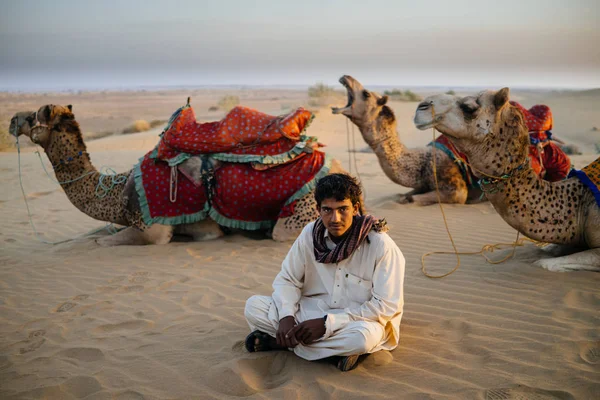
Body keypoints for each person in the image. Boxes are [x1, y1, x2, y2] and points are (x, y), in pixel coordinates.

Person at [243, 173, 405, 371]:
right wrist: (286, 317)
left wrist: (327, 324)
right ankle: (334, 354)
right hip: (309, 314)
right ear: (318, 209)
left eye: (343, 209)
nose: (335, 218)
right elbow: (288, 280)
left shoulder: (380, 244)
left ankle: (280, 344)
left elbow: (385, 306)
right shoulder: (310, 235)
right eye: (327, 210)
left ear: (355, 208)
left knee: (363, 338)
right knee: (254, 306)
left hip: (354, 321)